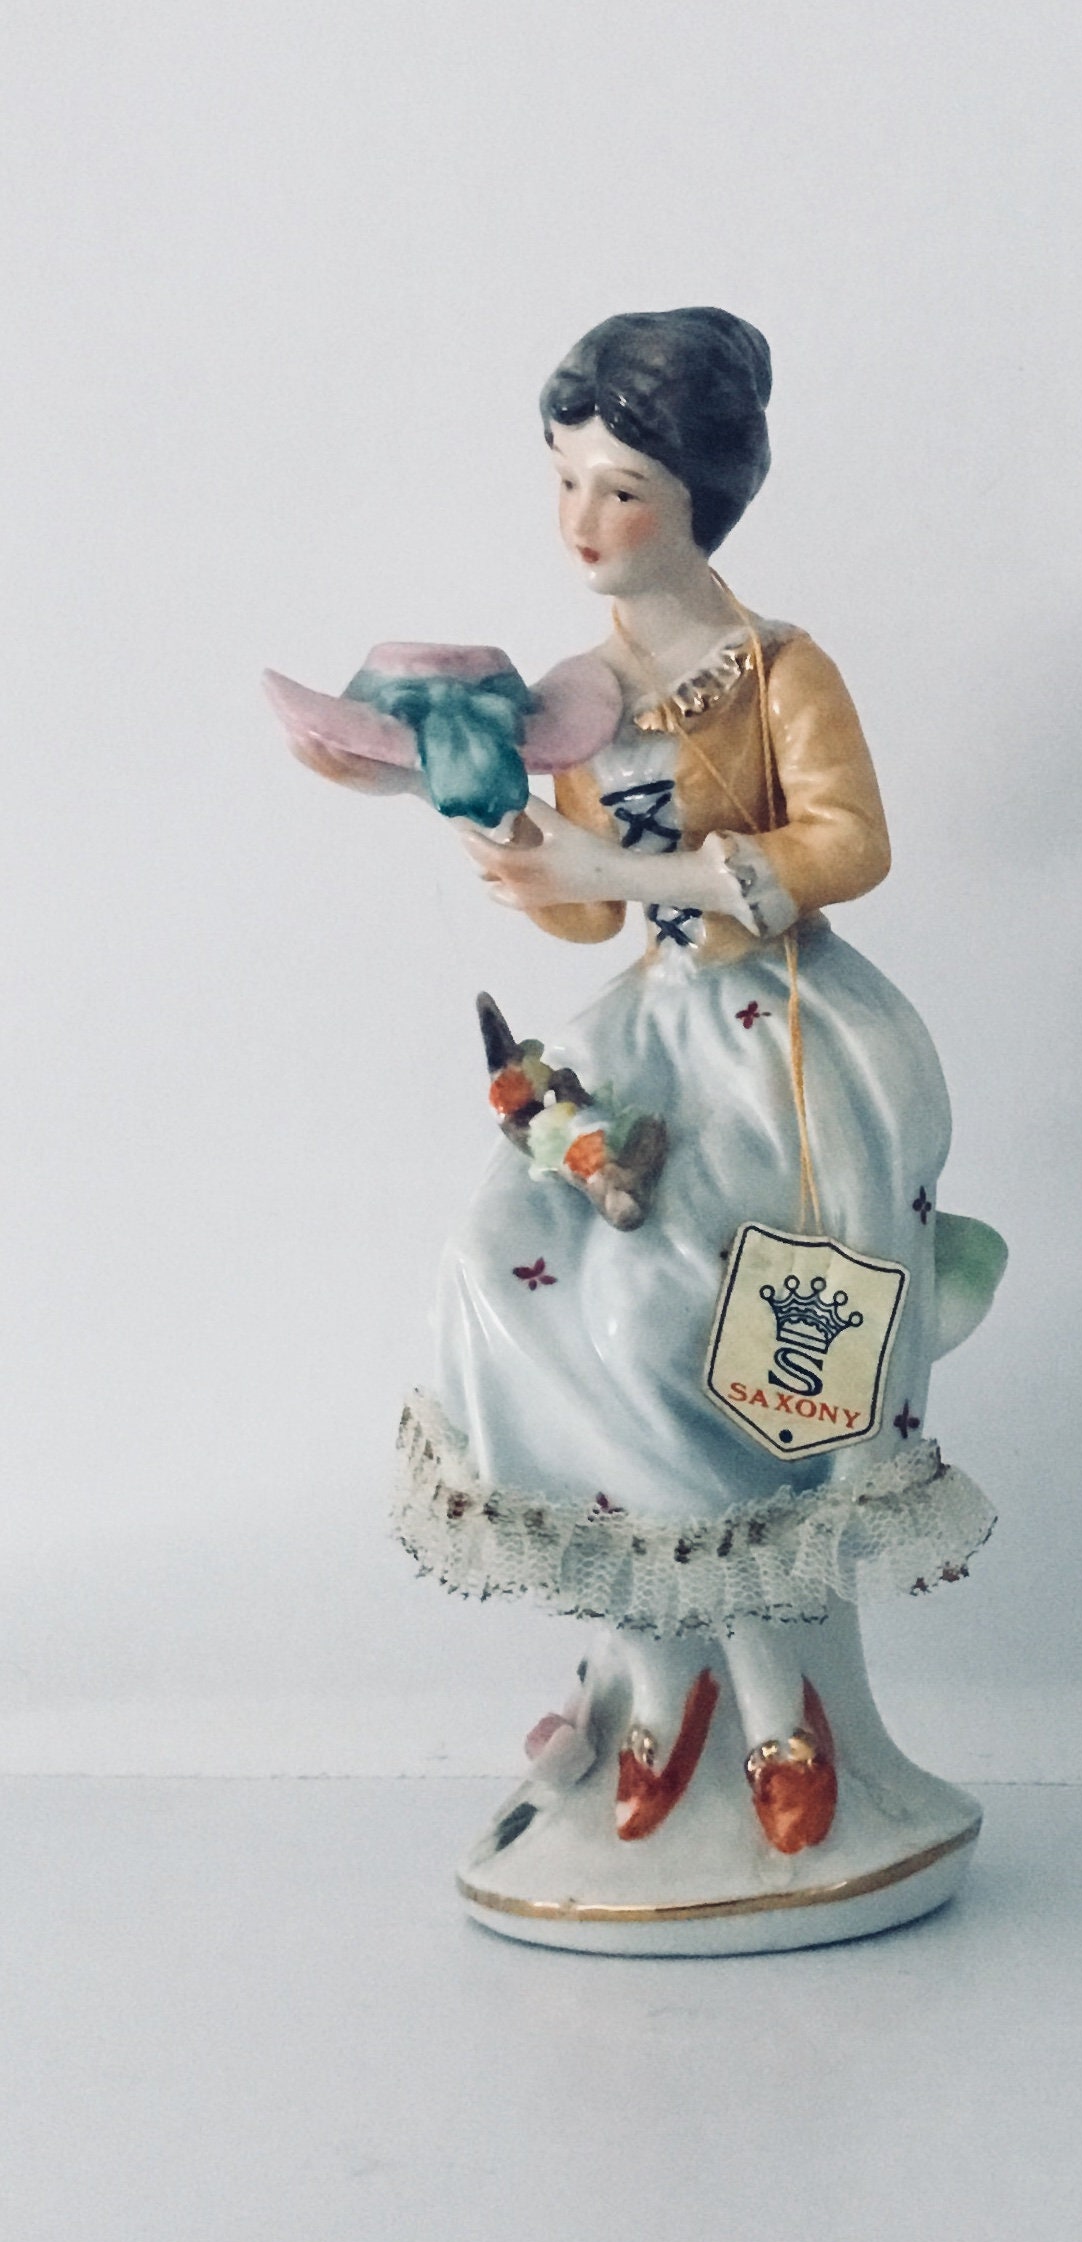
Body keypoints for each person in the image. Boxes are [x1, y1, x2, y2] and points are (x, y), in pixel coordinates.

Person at [281, 308, 998, 1869]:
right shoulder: (573, 698)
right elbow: (584, 917)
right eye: (565, 480)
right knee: (499, 1275)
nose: (583, 520)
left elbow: (850, 845)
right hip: (653, 1031)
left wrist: (631, 869)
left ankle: (771, 1692)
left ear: (700, 497)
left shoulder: (779, 668)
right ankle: (652, 1669)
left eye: (621, 488)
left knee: (667, 1325)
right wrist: (498, 833)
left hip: (786, 1044)